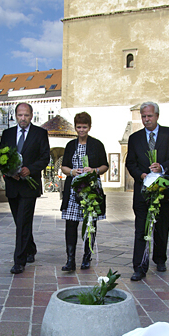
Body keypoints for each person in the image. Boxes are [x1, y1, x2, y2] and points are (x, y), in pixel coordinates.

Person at [126, 102, 169, 280]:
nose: (146, 119)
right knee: (141, 228)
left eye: (149, 116)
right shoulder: (134, 138)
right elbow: (130, 163)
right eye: (143, 116)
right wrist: (141, 175)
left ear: (157, 116)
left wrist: (162, 168)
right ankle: (139, 267)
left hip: (164, 190)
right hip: (143, 191)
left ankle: (160, 258)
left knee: (162, 226)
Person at [0, 103, 50, 274]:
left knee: (22, 222)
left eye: (26, 115)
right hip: (13, 185)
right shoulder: (7, 134)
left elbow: (45, 157)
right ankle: (31, 248)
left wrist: (31, 169)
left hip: (29, 185)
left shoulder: (40, 133)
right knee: (20, 222)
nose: (23, 118)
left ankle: (19, 261)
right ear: (15, 116)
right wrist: (9, 171)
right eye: (20, 115)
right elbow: (0, 158)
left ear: (31, 115)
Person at [61, 112, 108, 271]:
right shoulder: (70, 145)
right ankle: (70, 259)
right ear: (75, 127)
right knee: (70, 224)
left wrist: (94, 170)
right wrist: (72, 171)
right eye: (79, 127)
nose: (81, 130)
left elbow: (104, 166)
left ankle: (87, 257)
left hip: (91, 189)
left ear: (89, 127)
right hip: (73, 189)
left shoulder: (97, 144)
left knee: (90, 224)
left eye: (84, 127)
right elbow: (64, 166)